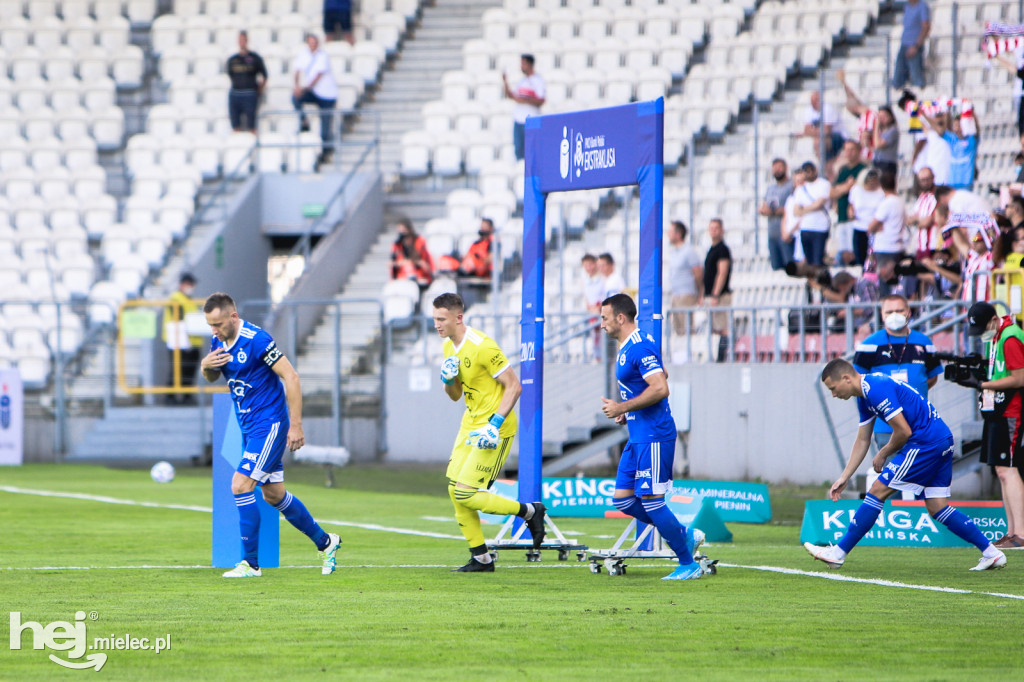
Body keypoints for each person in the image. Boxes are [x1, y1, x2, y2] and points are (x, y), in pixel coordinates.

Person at [806, 358, 1006, 571]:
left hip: (925, 443)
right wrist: (844, 476)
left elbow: (903, 431)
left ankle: (838, 553)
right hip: (941, 439)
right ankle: (992, 553)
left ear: (846, 378)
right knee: (937, 506)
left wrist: (883, 453)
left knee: (877, 491)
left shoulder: (875, 389)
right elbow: (863, 439)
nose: (834, 395)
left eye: (833, 389)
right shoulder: (864, 395)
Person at [200, 292, 340, 578]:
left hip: (270, 425)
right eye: (210, 325)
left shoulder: (257, 340)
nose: (213, 331)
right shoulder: (218, 340)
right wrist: (205, 366)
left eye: (217, 324)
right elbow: (213, 376)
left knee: (240, 485)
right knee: (274, 495)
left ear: (233, 316)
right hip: (249, 428)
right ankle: (326, 543)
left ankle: (250, 564)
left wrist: (296, 425)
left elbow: (292, 377)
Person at [432, 293, 546, 572]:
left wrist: (494, 425)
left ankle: (530, 511)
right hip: (469, 425)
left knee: (466, 493)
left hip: (495, 428)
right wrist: (448, 381)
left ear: (458, 318)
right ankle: (481, 557)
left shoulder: (482, 346)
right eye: (434, 319)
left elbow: (515, 386)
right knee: (453, 489)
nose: (436, 325)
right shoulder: (449, 347)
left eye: (441, 319)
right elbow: (455, 395)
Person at [598, 293, 704, 581]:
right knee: (622, 499)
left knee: (653, 501)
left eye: (605, 318)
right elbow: (661, 373)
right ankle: (683, 533)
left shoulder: (639, 345)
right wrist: (629, 409)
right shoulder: (628, 346)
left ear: (621, 318)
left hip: (654, 435)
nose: (602, 324)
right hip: (638, 434)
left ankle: (687, 563)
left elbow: (660, 387)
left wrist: (622, 406)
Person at [955, 302, 1024, 550]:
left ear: (994, 320)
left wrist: (981, 385)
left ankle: (1021, 533)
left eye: (983, 327)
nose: (981, 334)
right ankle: (1012, 531)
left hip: (1011, 410)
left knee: (1008, 468)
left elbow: (1019, 377)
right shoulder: (997, 335)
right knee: (1001, 469)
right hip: (998, 408)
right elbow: (1000, 370)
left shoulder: (1009, 336)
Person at [853, 295, 942, 480]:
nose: (895, 315)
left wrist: (911, 396)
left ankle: (920, 510)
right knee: (892, 479)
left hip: (920, 422)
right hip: (886, 425)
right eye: (889, 311)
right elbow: (858, 380)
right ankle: (892, 509)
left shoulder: (924, 342)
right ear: (882, 314)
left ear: (908, 312)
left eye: (899, 310)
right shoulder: (869, 345)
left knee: (922, 477)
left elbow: (932, 377)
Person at [835, 69, 899, 175]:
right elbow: (853, 98)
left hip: (868, 155)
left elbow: (865, 137)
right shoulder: (867, 114)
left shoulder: (868, 117)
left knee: (839, 166)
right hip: (867, 154)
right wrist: (844, 83)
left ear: (853, 108)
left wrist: (855, 152)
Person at [292, 33, 338, 165]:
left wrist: (304, 89)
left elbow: (318, 76)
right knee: (295, 98)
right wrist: (297, 87)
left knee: (325, 126)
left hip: (327, 95)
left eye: (314, 42)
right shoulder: (303, 54)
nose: (312, 45)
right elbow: (297, 71)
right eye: (310, 42)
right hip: (313, 92)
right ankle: (304, 122)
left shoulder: (323, 56)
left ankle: (326, 152)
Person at [163, 273, 204, 405]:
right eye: (189, 284)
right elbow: (178, 320)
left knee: (189, 371)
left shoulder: (188, 300)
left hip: (192, 342)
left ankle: (186, 396)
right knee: (178, 370)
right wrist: (185, 341)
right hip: (180, 342)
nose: (191, 287)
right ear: (182, 284)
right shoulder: (176, 299)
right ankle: (171, 397)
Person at [502, 54, 545, 162]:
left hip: (530, 120)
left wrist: (524, 101)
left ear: (529, 64)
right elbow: (512, 96)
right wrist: (505, 82)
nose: (521, 66)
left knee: (530, 150)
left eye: (523, 63)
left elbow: (541, 100)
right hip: (519, 120)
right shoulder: (522, 81)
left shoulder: (538, 81)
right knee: (519, 150)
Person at [830, 140, 868, 265]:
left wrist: (841, 189)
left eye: (852, 150)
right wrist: (846, 186)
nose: (849, 153)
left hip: (855, 218)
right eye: (847, 150)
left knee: (854, 254)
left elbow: (861, 188)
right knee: (843, 252)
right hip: (842, 216)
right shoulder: (843, 170)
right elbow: (832, 192)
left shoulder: (863, 170)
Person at [667, 220, 703, 339]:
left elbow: (698, 274)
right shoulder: (674, 252)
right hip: (677, 295)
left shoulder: (688, 252)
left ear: (678, 234)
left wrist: (700, 293)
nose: (668, 234)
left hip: (686, 295)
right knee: (678, 330)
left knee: (686, 329)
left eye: (670, 231)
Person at [226, 31, 267, 134]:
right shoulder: (232, 60)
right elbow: (230, 75)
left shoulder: (255, 58)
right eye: (240, 40)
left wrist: (259, 89)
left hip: (250, 94)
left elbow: (265, 76)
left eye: (243, 39)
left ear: (247, 40)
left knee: (251, 125)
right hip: (235, 94)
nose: (241, 42)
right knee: (235, 126)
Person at [792, 161, 832, 267]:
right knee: (809, 261)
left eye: (810, 171)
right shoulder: (800, 189)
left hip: (820, 227)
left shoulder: (823, 184)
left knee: (818, 260)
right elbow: (796, 211)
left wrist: (804, 209)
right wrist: (810, 207)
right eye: (806, 172)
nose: (808, 174)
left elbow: (818, 204)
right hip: (806, 227)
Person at [703, 218, 732, 362]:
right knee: (715, 327)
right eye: (711, 228)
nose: (713, 230)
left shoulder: (722, 250)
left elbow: (722, 272)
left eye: (716, 228)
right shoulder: (711, 249)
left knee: (723, 327)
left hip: (720, 296)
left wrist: (715, 294)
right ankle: (717, 356)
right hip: (711, 296)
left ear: (722, 230)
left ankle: (724, 357)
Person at [760, 158, 795, 271]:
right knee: (776, 268)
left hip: (786, 233)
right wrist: (763, 210)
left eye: (780, 167)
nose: (777, 170)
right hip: (773, 234)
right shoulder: (771, 188)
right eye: (775, 168)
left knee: (790, 267)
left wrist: (775, 212)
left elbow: (793, 208)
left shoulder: (791, 186)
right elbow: (765, 205)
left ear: (786, 168)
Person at [797, 91, 846, 166]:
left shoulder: (827, 109)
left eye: (816, 100)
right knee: (817, 140)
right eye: (812, 100)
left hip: (838, 137)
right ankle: (824, 165)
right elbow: (806, 130)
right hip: (824, 137)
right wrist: (816, 131)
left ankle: (823, 166)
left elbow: (827, 131)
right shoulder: (809, 110)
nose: (814, 102)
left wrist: (812, 131)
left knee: (818, 141)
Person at [868, 171, 907, 263]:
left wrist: (878, 227)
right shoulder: (900, 201)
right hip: (897, 246)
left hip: (885, 246)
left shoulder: (886, 203)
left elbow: (871, 227)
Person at [848, 168, 884, 266]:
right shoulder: (856, 190)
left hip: (874, 229)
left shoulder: (881, 192)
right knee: (860, 256)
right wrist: (851, 213)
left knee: (873, 258)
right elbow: (851, 205)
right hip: (859, 226)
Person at [892, 0, 930, 89]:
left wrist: (916, 46)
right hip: (904, 44)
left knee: (917, 77)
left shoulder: (922, 6)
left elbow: (926, 26)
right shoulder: (907, 6)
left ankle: (920, 97)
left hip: (914, 45)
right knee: (898, 79)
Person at [391, 219, 434, 288]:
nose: (402, 234)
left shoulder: (419, 241)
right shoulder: (397, 244)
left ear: (409, 230)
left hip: (420, 274)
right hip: (403, 276)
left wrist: (410, 262)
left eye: (404, 231)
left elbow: (423, 261)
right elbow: (394, 262)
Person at [909, 167, 939, 260]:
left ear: (933, 178)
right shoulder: (922, 197)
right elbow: (909, 220)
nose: (925, 182)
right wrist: (919, 220)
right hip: (920, 245)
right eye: (922, 180)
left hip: (932, 245)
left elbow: (927, 222)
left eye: (927, 179)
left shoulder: (937, 197)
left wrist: (917, 220)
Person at [947, 115, 979, 191]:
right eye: (956, 125)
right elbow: (940, 130)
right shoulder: (952, 140)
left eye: (960, 125)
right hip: (951, 185)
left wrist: (970, 111)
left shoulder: (971, 140)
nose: (958, 128)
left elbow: (976, 129)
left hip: (966, 185)